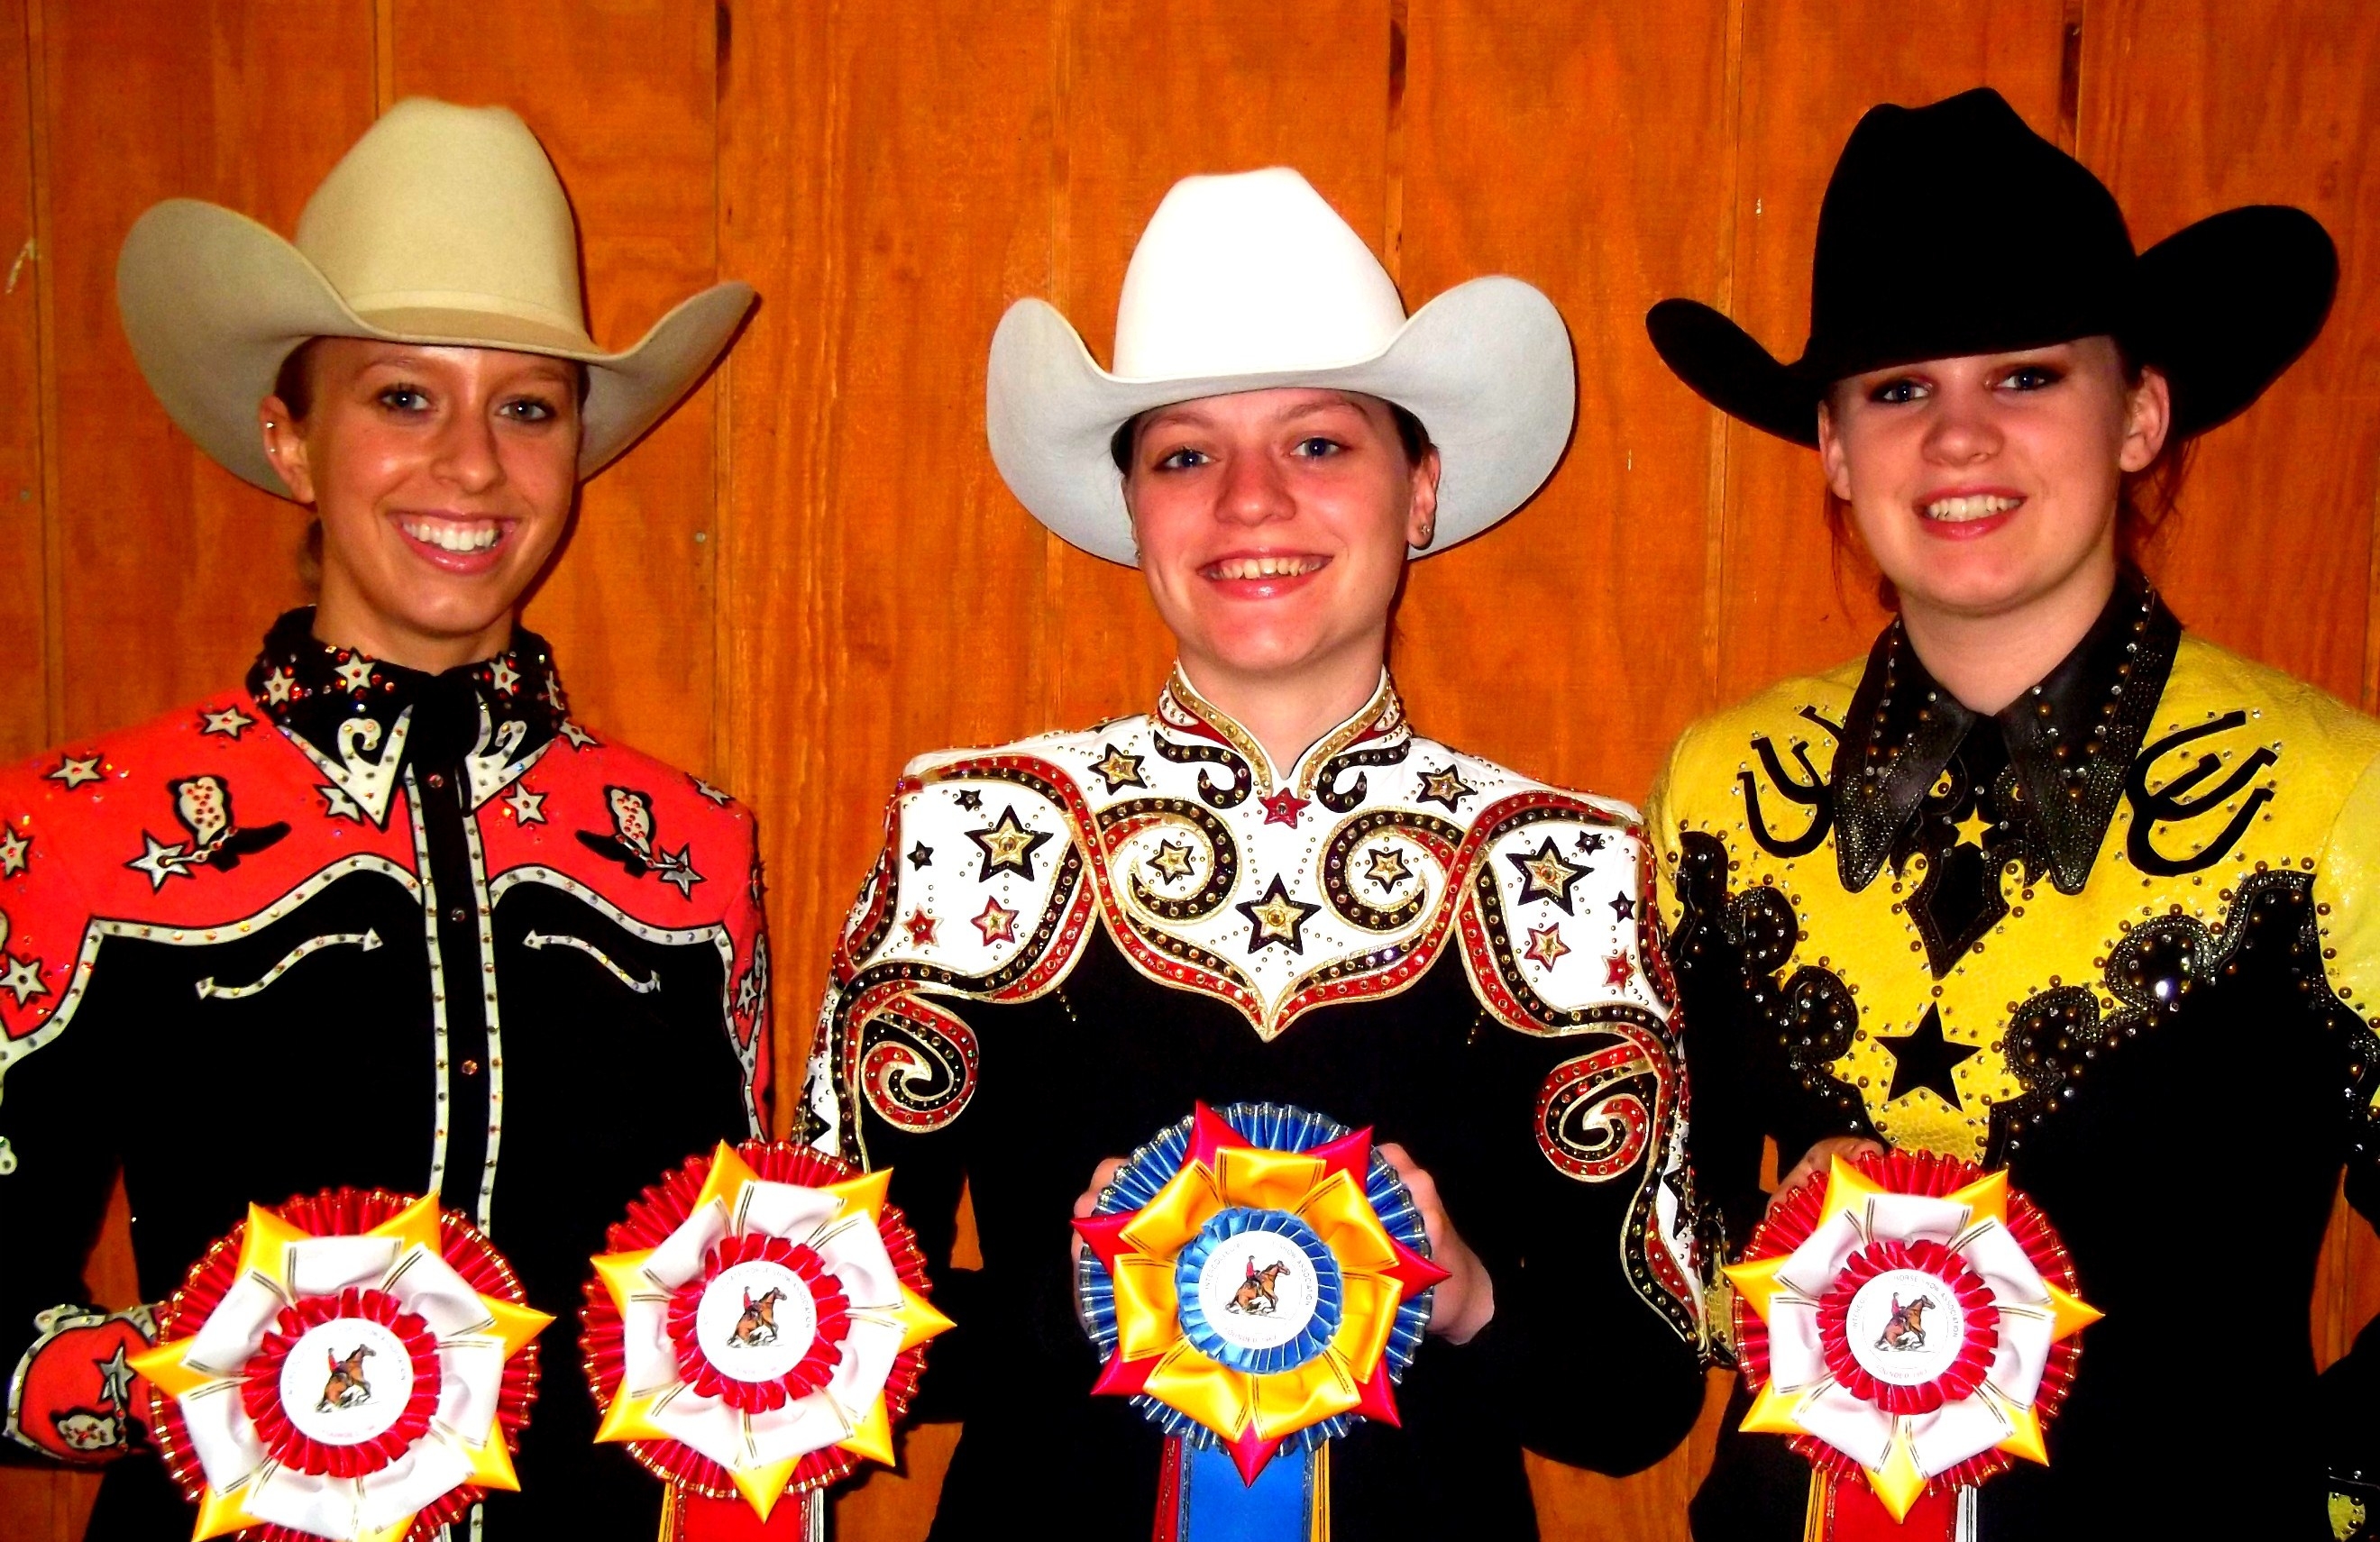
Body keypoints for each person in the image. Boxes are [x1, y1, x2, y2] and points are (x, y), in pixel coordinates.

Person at [799, 168, 1706, 1539]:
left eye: (1321, 445)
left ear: (1421, 490)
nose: (1250, 501)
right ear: (1134, 512)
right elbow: (816, 1323)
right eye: (1185, 454)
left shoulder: (1560, 869)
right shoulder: (975, 833)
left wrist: (1466, 1296)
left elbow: (1636, 1396)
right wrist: (1074, 1295)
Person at [0, 98, 771, 1539]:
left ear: (575, 451)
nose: (471, 466)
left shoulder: (687, 852)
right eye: (403, 398)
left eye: (526, 406)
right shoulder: (81, 830)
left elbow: (737, 1320)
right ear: (291, 439)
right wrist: (194, 1379)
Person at [1643, 87, 2369, 1537]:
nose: (1960, 438)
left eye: (2026, 377)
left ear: (2141, 413)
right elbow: (1669, 1225)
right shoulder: (1725, 782)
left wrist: (2308, 1489)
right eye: (1900, 390)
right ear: (1836, 451)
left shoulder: (2334, 792)